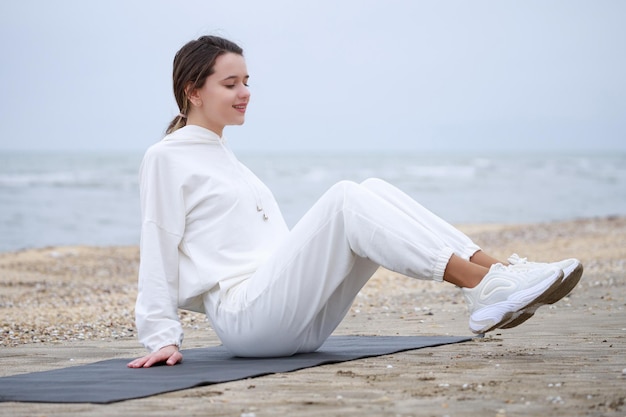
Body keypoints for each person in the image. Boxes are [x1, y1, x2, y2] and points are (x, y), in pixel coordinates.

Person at [127, 35, 583, 369]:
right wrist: (161, 337)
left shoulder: (224, 156)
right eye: (231, 84)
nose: (245, 93)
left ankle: (499, 275)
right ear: (194, 90)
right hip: (248, 319)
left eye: (247, 81)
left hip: (293, 319)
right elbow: (158, 249)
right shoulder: (167, 157)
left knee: (373, 189)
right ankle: (481, 289)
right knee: (346, 198)